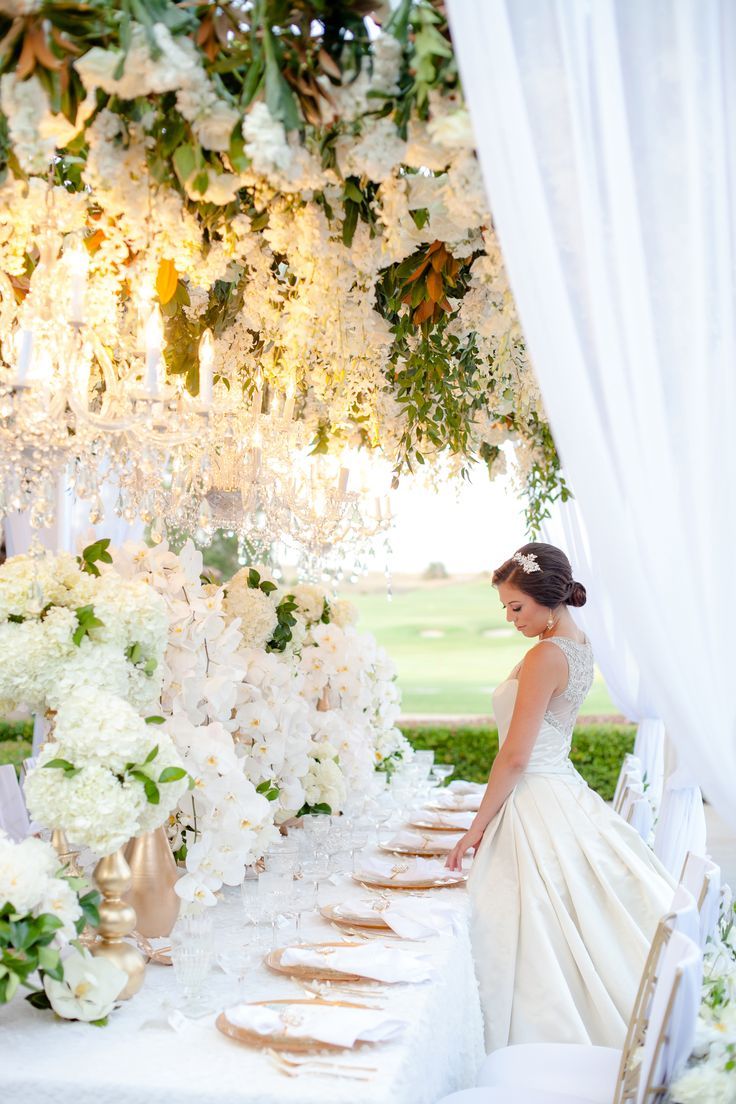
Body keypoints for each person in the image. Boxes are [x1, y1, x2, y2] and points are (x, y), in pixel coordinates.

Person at [446, 542, 674, 1052]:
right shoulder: (578, 644)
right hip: (558, 789)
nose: (510, 618)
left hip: (536, 796)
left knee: (525, 922)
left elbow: (515, 757)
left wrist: (476, 828)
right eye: (505, 608)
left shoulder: (546, 655)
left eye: (516, 606)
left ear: (548, 598)